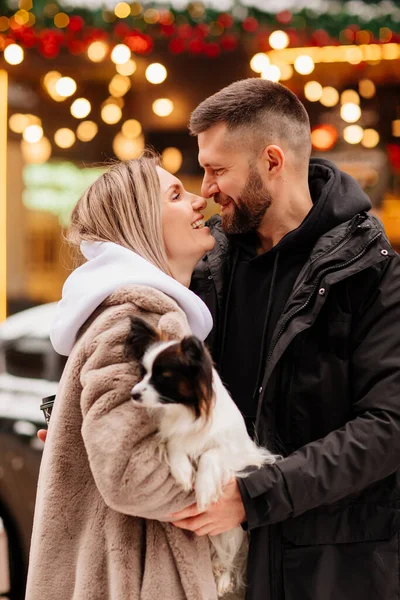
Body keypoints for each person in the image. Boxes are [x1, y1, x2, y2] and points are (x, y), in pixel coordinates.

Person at [169, 78, 400, 600]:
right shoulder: (206, 266)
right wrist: (76, 414)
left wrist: (253, 496)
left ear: (272, 160)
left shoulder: (375, 277)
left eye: (216, 170)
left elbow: (388, 427)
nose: (205, 188)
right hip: (212, 568)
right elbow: (154, 364)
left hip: (332, 573)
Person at [26, 156, 221, 600]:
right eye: (175, 195)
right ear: (141, 224)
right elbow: (131, 474)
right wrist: (230, 491)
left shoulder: (133, 314)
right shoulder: (138, 319)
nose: (198, 201)